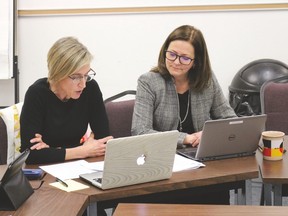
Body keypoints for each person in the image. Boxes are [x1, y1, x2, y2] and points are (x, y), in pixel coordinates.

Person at [131, 25, 237, 204]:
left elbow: (230, 120)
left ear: (196, 62)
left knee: (218, 191)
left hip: (202, 165)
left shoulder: (207, 80)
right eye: (171, 54)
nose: (176, 62)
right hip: (162, 166)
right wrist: (185, 138)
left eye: (185, 58)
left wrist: (209, 134)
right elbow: (140, 131)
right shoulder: (149, 82)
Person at [20, 37, 113, 165]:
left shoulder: (91, 88)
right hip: (45, 170)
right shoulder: (36, 94)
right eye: (76, 77)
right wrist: (83, 150)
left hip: (78, 166)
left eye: (86, 75)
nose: (83, 84)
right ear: (58, 74)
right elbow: (30, 154)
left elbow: (104, 141)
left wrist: (54, 152)